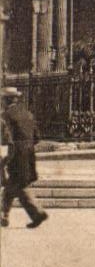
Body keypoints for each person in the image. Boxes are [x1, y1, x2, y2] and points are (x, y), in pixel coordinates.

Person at [1, 86, 48, 229]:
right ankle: (3, 215)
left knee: (18, 186)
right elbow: (37, 138)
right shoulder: (28, 114)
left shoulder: (6, 116)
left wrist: (6, 157)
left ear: (6, 100)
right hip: (29, 156)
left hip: (15, 155)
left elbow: (5, 139)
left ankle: (37, 212)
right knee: (12, 187)